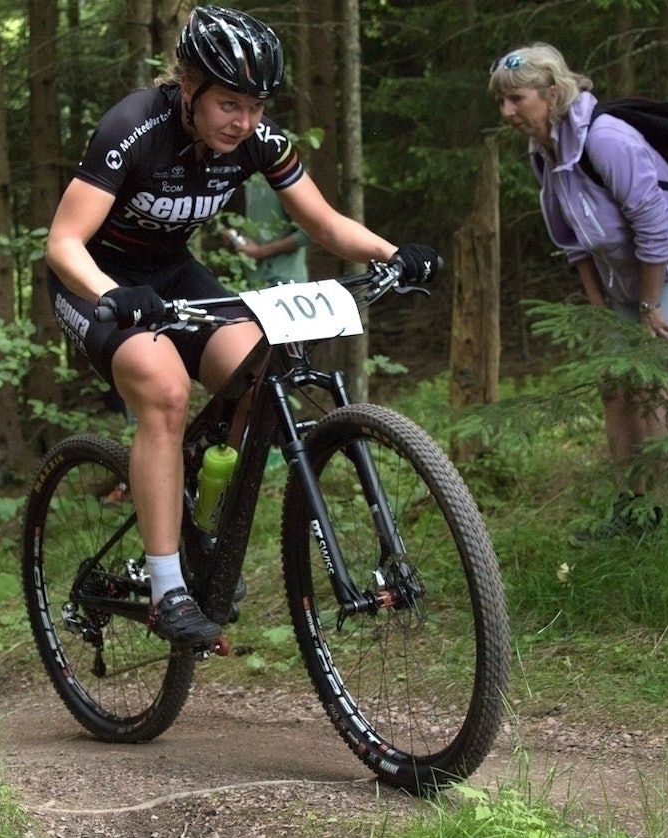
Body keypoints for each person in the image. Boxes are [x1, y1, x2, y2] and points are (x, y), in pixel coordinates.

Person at [45, 6, 441, 646]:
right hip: (96, 282)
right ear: (190, 86)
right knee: (165, 390)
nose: (245, 121)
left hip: (172, 275)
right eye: (230, 103)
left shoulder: (258, 139)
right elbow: (63, 242)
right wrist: (116, 294)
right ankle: (168, 587)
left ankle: (200, 518)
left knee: (261, 371)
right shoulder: (133, 128)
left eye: (256, 106)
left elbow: (324, 223)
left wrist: (392, 254)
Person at [488, 44, 668, 540]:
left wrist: (649, 306)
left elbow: (655, 227)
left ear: (551, 94)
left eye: (517, 99)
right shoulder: (544, 153)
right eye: (501, 102)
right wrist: (602, 317)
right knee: (617, 386)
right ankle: (631, 510)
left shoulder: (607, 140)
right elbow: (573, 244)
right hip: (625, 278)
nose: (507, 112)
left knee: (656, 381)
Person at [221, 173, 311, 284]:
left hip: (285, 281)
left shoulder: (287, 176)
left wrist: (261, 252)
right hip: (255, 280)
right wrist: (236, 237)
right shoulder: (250, 177)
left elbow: (308, 233)